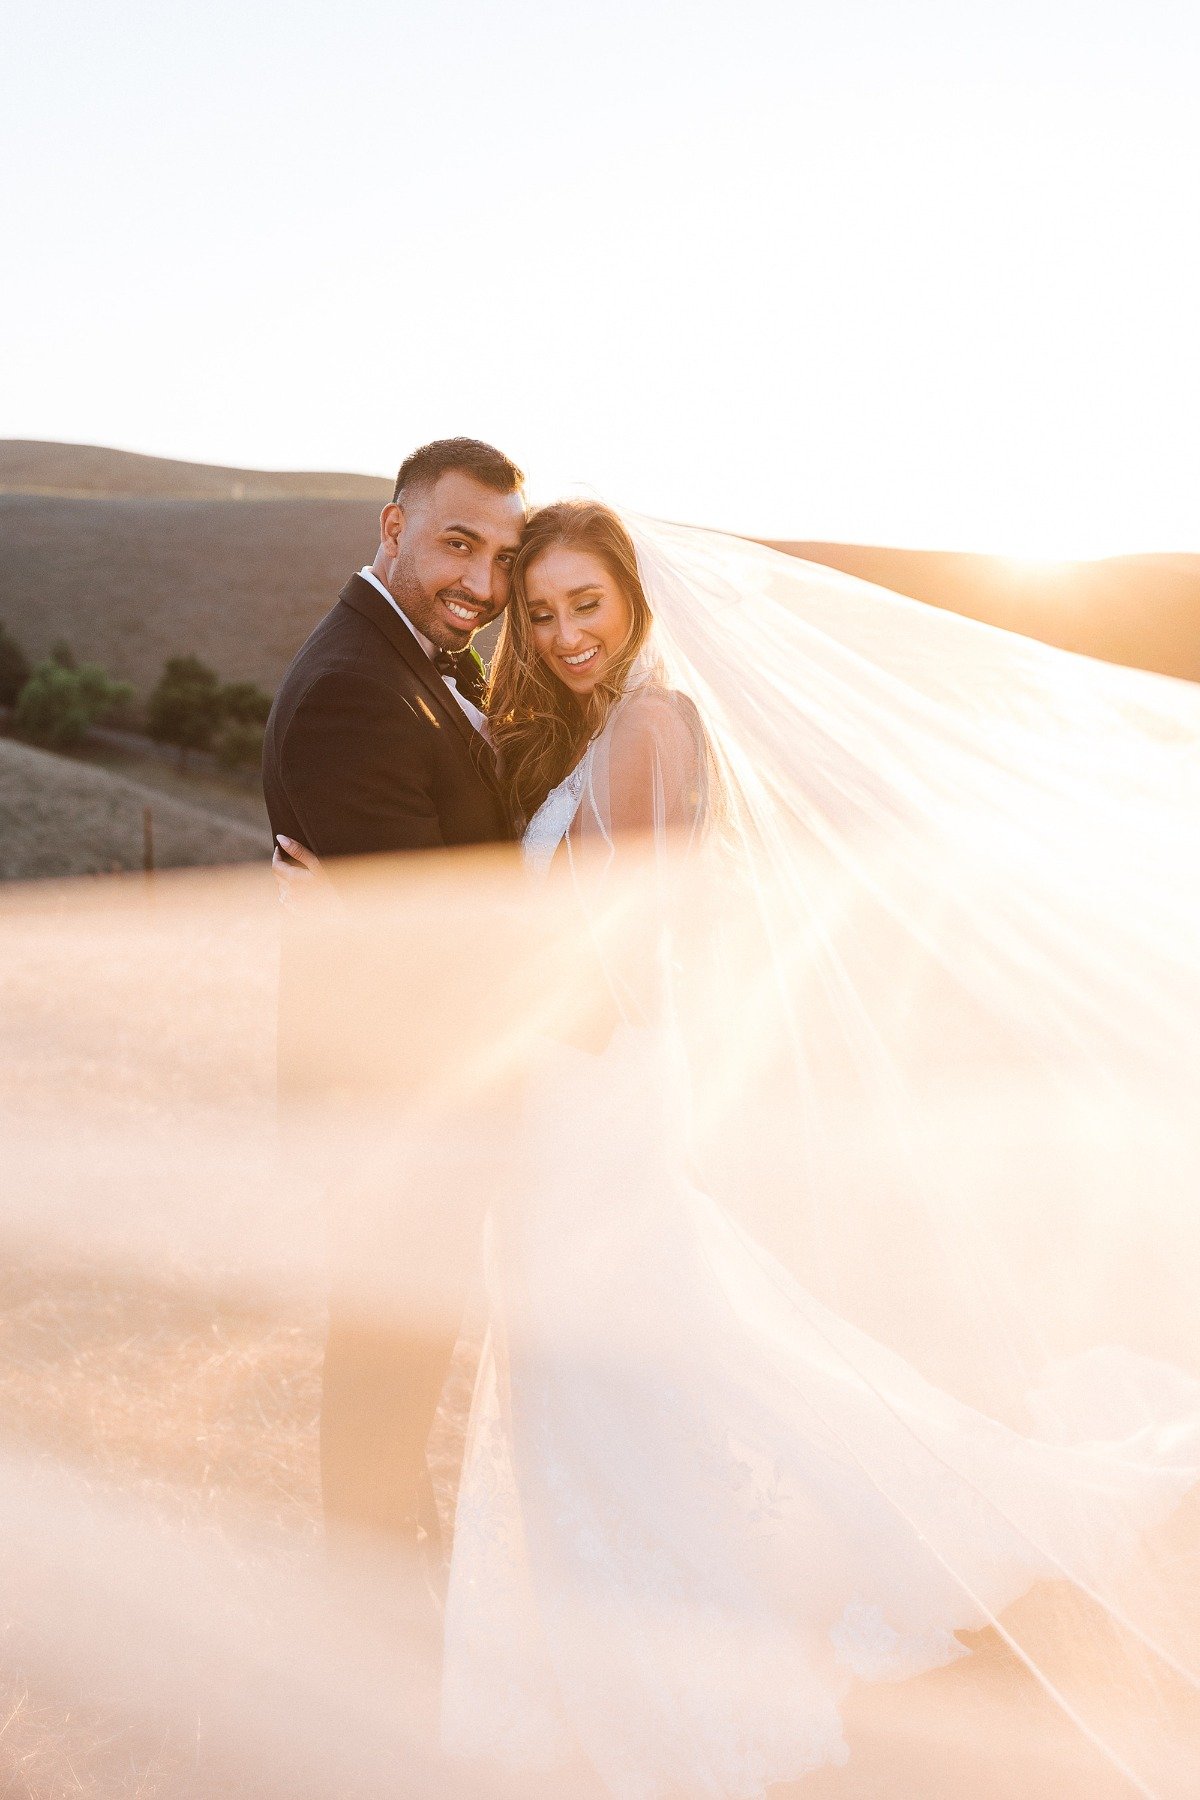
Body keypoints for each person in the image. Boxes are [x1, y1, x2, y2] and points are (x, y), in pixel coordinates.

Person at [275, 500, 1200, 1796]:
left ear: (637, 602)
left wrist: (399, 934)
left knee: (622, 1362)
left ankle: (669, 1636)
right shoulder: (588, 729)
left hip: (594, 1098)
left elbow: (626, 955)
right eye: (540, 615)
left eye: (582, 605)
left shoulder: (655, 725)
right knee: (630, 1364)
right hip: (570, 1105)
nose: (560, 632)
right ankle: (624, 1614)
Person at [261, 438, 526, 1597]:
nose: (478, 580)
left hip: (423, 1092)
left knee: (400, 1356)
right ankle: (365, 1605)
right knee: (382, 1361)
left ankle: (387, 1558)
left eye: (502, 555)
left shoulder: (424, 665)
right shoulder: (356, 688)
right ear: (393, 528)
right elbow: (436, 955)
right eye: (456, 542)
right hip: (393, 1101)